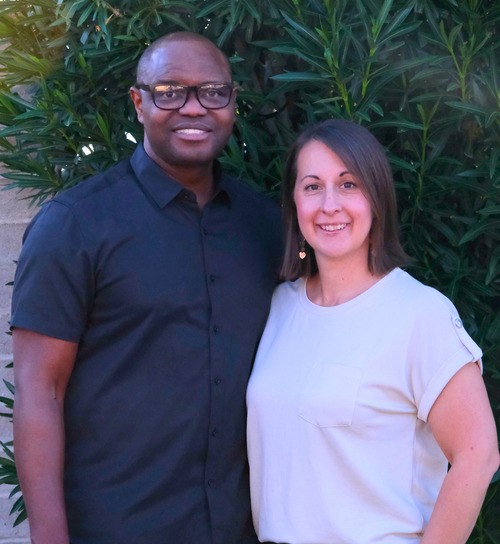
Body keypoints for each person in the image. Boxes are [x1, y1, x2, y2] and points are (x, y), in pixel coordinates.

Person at [11, 32, 282, 544]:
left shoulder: (264, 226)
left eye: (213, 92)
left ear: (232, 103)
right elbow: (39, 390)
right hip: (117, 527)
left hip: (240, 529)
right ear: (139, 103)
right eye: (169, 91)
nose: (194, 108)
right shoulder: (75, 224)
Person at [247, 119, 499, 544]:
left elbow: (478, 454)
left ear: (377, 199)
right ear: (293, 203)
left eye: (348, 185)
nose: (329, 204)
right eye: (312, 186)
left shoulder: (419, 314)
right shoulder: (278, 307)